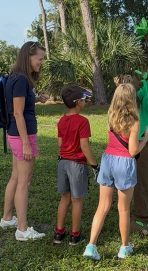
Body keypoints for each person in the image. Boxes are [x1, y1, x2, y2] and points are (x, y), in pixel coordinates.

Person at [83, 83, 148, 260]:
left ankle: (91, 246)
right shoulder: (134, 121)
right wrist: (145, 138)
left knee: (102, 207)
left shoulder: (110, 116)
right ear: (132, 99)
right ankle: (124, 247)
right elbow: (133, 151)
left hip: (108, 161)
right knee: (123, 209)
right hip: (124, 164)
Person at [0, 41, 48, 241]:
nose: (41, 62)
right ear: (28, 56)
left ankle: (7, 218)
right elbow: (18, 113)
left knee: (15, 177)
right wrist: (26, 143)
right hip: (22, 135)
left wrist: (37, 99)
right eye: (40, 58)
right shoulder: (20, 80)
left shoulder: (17, 78)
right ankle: (22, 229)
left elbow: (20, 105)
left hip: (15, 134)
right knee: (23, 182)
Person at [53, 84, 99, 246]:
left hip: (62, 163)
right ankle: (75, 235)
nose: (85, 101)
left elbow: (60, 143)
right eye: (84, 99)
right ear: (78, 101)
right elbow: (84, 146)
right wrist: (94, 165)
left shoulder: (62, 121)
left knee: (64, 198)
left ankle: (58, 233)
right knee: (77, 200)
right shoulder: (83, 122)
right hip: (77, 165)